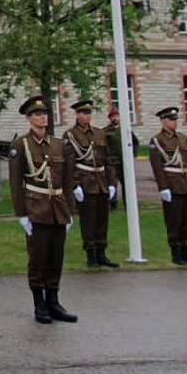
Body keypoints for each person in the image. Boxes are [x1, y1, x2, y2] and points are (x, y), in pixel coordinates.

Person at [8, 95, 77, 325]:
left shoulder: (59, 145)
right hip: (36, 208)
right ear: (29, 119)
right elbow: (15, 182)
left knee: (56, 257)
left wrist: (70, 212)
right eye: (37, 114)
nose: (43, 117)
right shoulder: (21, 146)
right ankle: (39, 304)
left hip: (57, 208)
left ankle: (54, 301)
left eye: (45, 113)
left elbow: (67, 181)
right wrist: (21, 214)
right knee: (38, 258)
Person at [64, 100, 118, 269]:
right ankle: (91, 254)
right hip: (85, 182)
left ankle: (102, 252)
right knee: (88, 220)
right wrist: (75, 184)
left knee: (103, 219)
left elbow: (108, 159)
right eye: (83, 113)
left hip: (101, 181)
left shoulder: (99, 133)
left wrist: (112, 182)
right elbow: (69, 163)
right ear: (77, 115)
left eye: (89, 113)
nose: (87, 116)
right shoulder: (71, 135)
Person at [149, 105, 187, 265]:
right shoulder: (157, 141)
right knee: (174, 220)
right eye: (171, 119)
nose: (174, 122)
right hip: (172, 185)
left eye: (175, 119)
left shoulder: (183, 138)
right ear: (163, 121)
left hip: (186, 182)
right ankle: (176, 252)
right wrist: (163, 187)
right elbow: (157, 167)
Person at [103, 106, 136, 209]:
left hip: (124, 161)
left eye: (117, 116)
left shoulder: (125, 130)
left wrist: (133, 155)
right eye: (113, 117)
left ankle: (128, 204)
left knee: (127, 184)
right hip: (112, 162)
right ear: (110, 118)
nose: (115, 118)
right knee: (112, 183)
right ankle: (113, 205)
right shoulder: (106, 131)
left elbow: (135, 142)